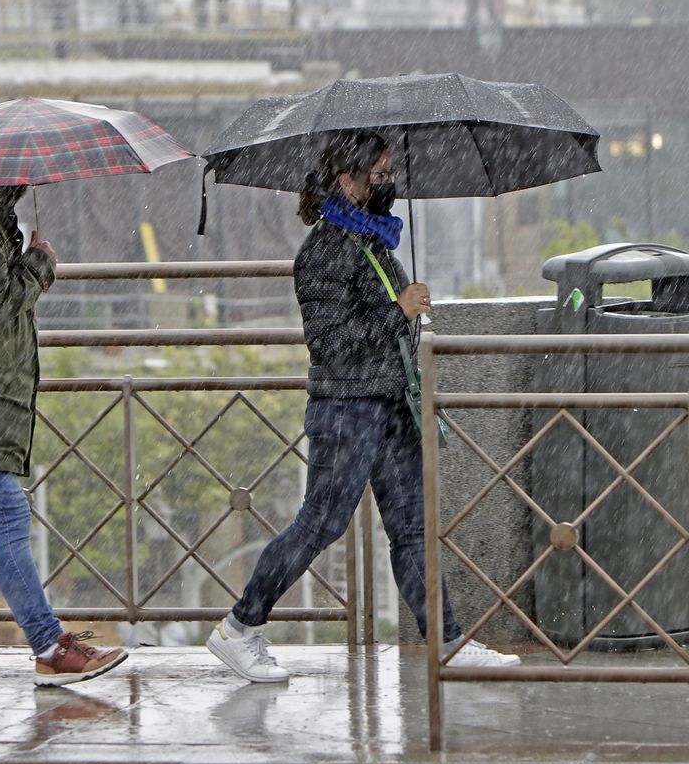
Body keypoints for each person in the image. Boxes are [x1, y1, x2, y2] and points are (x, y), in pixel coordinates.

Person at [206, 131, 520, 682]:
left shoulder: (372, 243)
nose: (387, 182)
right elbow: (331, 346)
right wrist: (397, 310)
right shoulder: (325, 251)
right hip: (347, 412)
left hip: (388, 404)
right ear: (346, 182)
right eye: (377, 174)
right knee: (320, 525)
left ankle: (446, 642)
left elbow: (380, 328)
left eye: (389, 171)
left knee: (412, 530)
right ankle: (238, 628)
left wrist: (404, 309)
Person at [0, 186, 129, 686]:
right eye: (19, 171)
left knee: (0, 515)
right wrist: (39, 262)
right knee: (5, 514)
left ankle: (50, 644)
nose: (27, 181)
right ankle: (51, 647)